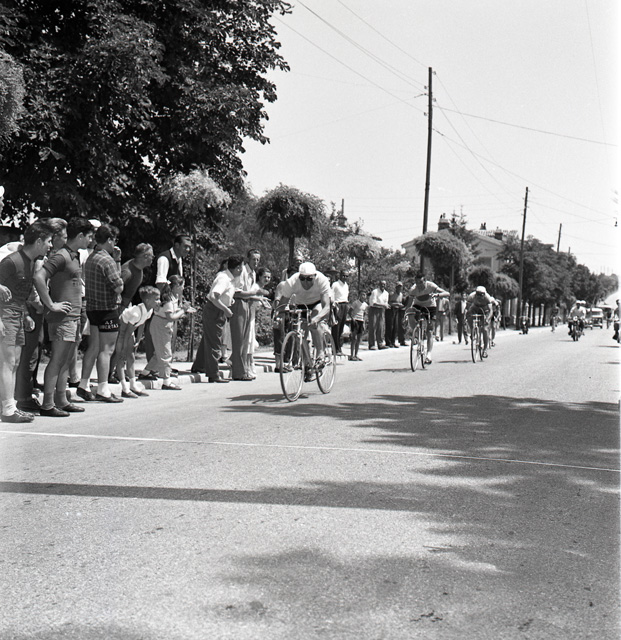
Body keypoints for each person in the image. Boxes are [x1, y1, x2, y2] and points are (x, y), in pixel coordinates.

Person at [33, 218, 95, 417]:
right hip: (62, 318)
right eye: (89, 236)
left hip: (73, 317)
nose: (91, 240)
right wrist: (51, 304)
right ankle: (47, 404)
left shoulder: (74, 255)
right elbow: (39, 277)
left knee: (67, 360)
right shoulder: (61, 256)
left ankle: (61, 399)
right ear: (80, 236)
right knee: (57, 360)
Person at [0, 220, 54, 423]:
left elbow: (19, 293)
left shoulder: (31, 262)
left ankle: (10, 405)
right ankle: (7, 410)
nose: (50, 245)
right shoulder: (12, 261)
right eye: (48, 241)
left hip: (17, 315)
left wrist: (26, 315)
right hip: (5, 315)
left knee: (14, 363)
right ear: (39, 241)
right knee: (7, 363)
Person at [14, 218, 67, 411]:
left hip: (28, 308)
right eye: (62, 237)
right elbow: (35, 281)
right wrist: (43, 305)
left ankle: (25, 392)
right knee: (29, 353)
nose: (62, 241)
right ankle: (23, 397)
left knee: (29, 352)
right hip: (30, 309)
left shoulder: (40, 254)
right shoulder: (37, 257)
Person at [77, 223, 124, 403]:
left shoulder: (91, 258)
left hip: (92, 308)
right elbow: (119, 287)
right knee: (107, 350)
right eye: (115, 240)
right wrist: (117, 262)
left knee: (94, 347)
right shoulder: (107, 260)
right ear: (110, 240)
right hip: (107, 309)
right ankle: (103, 389)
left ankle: (83, 384)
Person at [274, 262, 331, 364]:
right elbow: (282, 304)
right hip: (301, 304)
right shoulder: (292, 282)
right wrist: (279, 316)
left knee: (314, 321)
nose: (305, 282)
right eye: (302, 278)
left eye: (309, 279)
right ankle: (307, 361)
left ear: (315, 276)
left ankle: (320, 353)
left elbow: (326, 307)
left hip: (317, 302)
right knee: (301, 333)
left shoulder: (322, 280)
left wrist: (317, 319)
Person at [201, 256, 245, 383]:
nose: (242, 270)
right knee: (214, 343)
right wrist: (225, 309)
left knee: (215, 341)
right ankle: (213, 374)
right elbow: (214, 296)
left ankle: (209, 370)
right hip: (214, 310)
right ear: (237, 268)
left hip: (219, 310)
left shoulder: (230, 279)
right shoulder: (224, 279)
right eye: (241, 267)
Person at [146, 275, 194, 390]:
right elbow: (170, 317)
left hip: (163, 325)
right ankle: (166, 381)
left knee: (159, 352)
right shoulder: (168, 299)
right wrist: (183, 310)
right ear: (176, 286)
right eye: (182, 285)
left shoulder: (172, 297)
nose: (183, 288)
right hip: (161, 325)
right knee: (166, 354)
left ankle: (146, 372)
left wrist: (183, 310)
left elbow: (171, 312)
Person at [115, 286, 160, 397]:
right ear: (147, 301)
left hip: (129, 332)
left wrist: (138, 339)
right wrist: (124, 348)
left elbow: (141, 324)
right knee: (121, 358)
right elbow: (126, 332)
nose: (159, 302)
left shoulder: (149, 311)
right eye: (156, 299)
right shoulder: (136, 313)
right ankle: (125, 388)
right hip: (121, 332)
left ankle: (133, 385)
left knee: (131, 358)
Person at [230, 249, 267, 381]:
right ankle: (238, 371)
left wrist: (259, 298)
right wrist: (254, 294)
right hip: (239, 303)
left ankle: (242, 369)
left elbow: (250, 293)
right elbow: (237, 292)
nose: (256, 262)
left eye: (258, 260)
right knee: (239, 340)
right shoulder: (243, 272)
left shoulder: (253, 273)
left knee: (245, 340)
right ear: (248, 259)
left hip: (247, 304)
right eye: (253, 259)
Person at [404, 272, 449, 364]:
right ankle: (416, 333)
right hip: (418, 305)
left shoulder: (431, 286)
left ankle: (428, 354)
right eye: (417, 283)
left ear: (425, 281)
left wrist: (437, 295)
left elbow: (447, 293)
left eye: (421, 282)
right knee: (410, 313)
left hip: (430, 306)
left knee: (429, 330)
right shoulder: (413, 289)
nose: (419, 285)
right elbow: (409, 304)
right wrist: (405, 316)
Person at [466, 286, 495, 357]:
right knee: (469, 317)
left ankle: (485, 350)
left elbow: (491, 310)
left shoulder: (488, 297)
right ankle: (473, 331)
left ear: (484, 294)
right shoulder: (471, 296)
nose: (479, 296)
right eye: (478, 294)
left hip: (485, 311)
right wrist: (467, 316)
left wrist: (487, 319)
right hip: (475, 308)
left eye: (481, 295)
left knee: (485, 329)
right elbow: (467, 308)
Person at [330, 270, 350, 355]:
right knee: (336, 327)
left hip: (345, 305)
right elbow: (331, 295)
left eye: (346, 276)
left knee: (341, 327)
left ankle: (339, 347)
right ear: (340, 275)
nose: (345, 277)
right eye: (343, 275)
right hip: (338, 305)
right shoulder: (335, 284)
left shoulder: (346, 285)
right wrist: (334, 305)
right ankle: (335, 348)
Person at [367, 280, 389, 349]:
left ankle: (380, 343)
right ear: (379, 284)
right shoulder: (375, 292)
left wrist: (385, 306)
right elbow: (373, 303)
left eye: (384, 284)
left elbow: (386, 303)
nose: (383, 285)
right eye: (381, 284)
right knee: (373, 327)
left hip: (381, 310)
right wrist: (383, 305)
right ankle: (371, 344)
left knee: (381, 327)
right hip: (373, 310)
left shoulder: (386, 293)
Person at [348, 289, 368, 361]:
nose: (363, 296)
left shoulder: (365, 305)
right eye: (362, 294)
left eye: (364, 295)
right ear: (359, 295)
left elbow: (364, 314)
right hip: (355, 320)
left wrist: (364, 323)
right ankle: (351, 355)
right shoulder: (355, 303)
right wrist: (352, 318)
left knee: (359, 339)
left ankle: (356, 355)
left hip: (361, 321)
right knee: (354, 338)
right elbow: (349, 311)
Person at [385, 282, 405, 348]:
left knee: (395, 327)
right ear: (396, 287)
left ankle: (393, 342)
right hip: (390, 310)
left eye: (400, 287)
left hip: (397, 310)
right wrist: (397, 304)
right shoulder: (392, 294)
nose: (399, 288)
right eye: (398, 286)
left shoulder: (401, 295)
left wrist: (400, 305)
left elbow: (400, 302)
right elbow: (389, 303)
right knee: (390, 326)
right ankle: (388, 342)